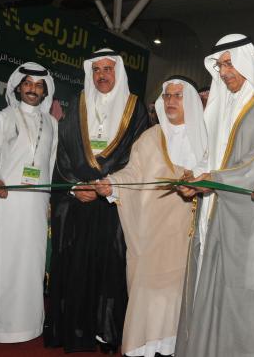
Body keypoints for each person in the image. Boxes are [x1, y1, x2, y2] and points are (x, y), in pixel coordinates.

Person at [175, 34, 254, 357]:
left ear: (246, 61)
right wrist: (194, 178)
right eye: (219, 65)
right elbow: (209, 156)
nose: (224, 72)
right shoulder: (220, 106)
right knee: (210, 292)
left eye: (229, 63)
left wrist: (212, 180)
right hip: (214, 212)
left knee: (248, 300)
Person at [44, 48, 149, 353]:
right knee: (76, 267)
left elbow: (138, 156)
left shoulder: (135, 108)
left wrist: (110, 184)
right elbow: (63, 152)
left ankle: (107, 332)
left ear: (118, 72)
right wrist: (76, 187)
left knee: (111, 268)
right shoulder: (77, 105)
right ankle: (74, 331)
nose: (102, 76)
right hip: (79, 202)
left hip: (114, 203)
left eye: (108, 69)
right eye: (97, 70)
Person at [95, 75, 207, 357]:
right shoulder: (150, 136)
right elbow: (132, 173)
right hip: (149, 232)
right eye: (167, 96)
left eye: (178, 96)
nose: (170, 101)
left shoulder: (207, 139)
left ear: (191, 101)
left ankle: (171, 348)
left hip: (185, 231)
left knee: (175, 295)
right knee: (147, 293)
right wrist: (112, 183)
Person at [0, 62, 57, 351]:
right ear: (18, 87)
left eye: (38, 85)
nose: (32, 89)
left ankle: (24, 325)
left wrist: (48, 199)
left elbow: (49, 164)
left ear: (45, 90)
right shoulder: (4, 117)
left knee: (30, 265)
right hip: (6, 200)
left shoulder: (52, 123)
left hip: (36, 206)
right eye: (27, 84)